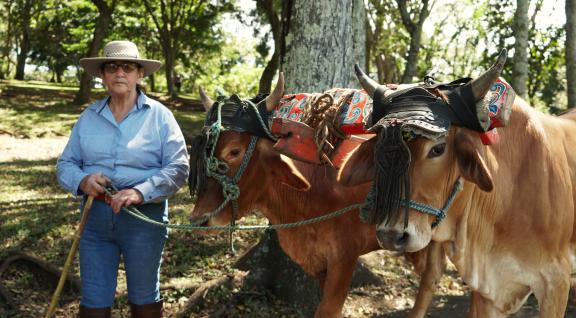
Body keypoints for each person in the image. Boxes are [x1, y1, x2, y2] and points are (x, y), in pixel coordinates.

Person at [56, 40, 189, 318]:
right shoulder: (89, 116)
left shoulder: (160, 117)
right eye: (112, 67)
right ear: (102, 75)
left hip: (144, 221)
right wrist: (82, 181)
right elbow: (66, 164)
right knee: (93, 303)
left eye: (127, 67)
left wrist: (140, 192)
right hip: (95, 221)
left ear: (139, 74)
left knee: (144, 301)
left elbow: (178, 168)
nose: (120, 73)